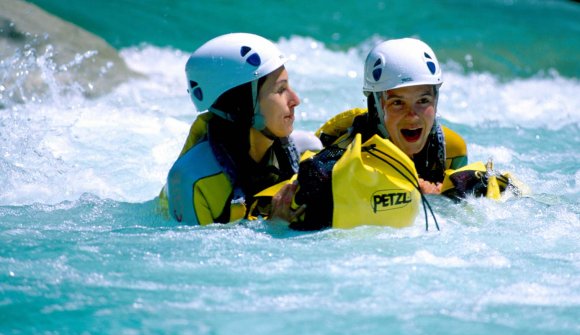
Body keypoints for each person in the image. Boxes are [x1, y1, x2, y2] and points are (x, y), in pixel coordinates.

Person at [159, 33, 306, 225]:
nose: (296, 100)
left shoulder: (304, 152)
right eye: (280, 90)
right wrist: (275, 229)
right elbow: (195, 253)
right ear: (242, 106)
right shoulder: (192, 181)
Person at [314, 37, 468, 194]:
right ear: (376, 107)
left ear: (436, 101)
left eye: (423, 101)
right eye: (398, 103)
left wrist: (442, 198)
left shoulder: (451, 150)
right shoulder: (347, 153)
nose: (412, 116)